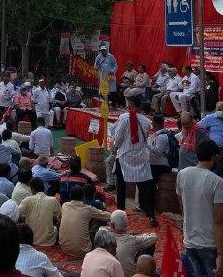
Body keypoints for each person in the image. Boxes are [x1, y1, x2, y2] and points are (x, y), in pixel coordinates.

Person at [175, 140, 223, 277]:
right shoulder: (218, 182)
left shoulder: (182, 174)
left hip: (190, 242)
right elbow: (219, 220)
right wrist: (220, 255)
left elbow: (182, 206)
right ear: (214, 157)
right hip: (209, 244)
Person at [111, 90, 155, 226]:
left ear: (130, 103)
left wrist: (115, 146)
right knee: (144, 187)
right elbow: (145, 137)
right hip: (140, 156)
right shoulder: (146, 121)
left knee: (121, 186)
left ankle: (120, 213)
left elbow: (118, 137)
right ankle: (151, 215)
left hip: (124, 154)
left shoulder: (124, 118)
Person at [60, 185, 111, 257]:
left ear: (70, 196)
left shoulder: (64, 206)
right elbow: (109, 217)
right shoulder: (88, 209)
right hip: (84, 249)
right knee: (99, 219)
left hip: (64, 248)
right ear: (83, 196)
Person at [108, 209, 157, 277]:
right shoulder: (132, 240)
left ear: (111, 225)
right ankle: (143, 272)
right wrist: (139, 236)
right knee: (148, 245)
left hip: (109, 273)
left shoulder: (104, 235)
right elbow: (154, 237)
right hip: (130, 275)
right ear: (127, 223)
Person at [18, 176, 61, 246]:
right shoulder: (53, 200)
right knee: (56, 226)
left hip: (31, 238)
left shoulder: (27, 200)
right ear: (43, 188)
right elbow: (59, 216)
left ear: (32, 189)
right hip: (48, 240)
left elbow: (18, 214)